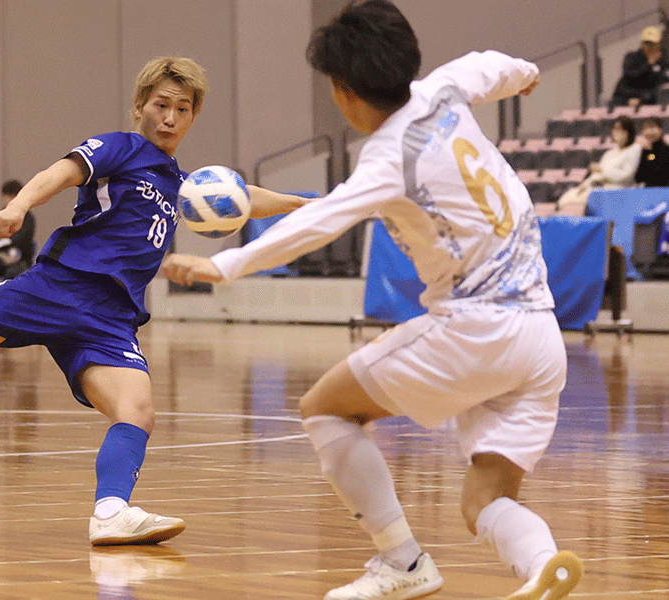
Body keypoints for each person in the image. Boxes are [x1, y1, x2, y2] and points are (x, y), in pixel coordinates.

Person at [162, 2, 583, 599]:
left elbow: (320, 223)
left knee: (325, 409)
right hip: (541, 339)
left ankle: (403, 563)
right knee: (483, 502)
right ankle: (542, 568)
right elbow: (490, 65)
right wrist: (523, 73)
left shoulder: (386, 159)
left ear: (343, 91)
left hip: (477, 329)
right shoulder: (442, 89)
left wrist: (221, 264)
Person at [0, 56, 308, 546]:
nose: (170, 117)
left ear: (192, 117)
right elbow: (60, 173)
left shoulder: (182, 185)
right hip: (59, 286)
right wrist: (19, 205)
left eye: (182, 109)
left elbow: (244, 197)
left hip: (113, 317)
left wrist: (306, 206)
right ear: (140, 106)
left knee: (137, 411)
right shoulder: (121, 148)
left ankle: (111, 512)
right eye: (161, 105)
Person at [555, 116, 640, 216]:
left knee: (577, 201)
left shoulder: (634, 149)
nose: (616, 132)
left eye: (619, 129)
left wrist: (602, 170)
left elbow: (626, 175)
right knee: (568, 196)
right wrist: (586, 184)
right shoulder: (610, 153)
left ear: (627, 132)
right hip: (598, 187)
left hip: (617, 189)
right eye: (614, 128)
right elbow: (596, 174)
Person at [0, 179, 37, 291]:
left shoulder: (28, 218)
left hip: (20, 260)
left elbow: (18, 240)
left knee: (11, 276)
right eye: (8, 196)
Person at [609, 25, 669, 109]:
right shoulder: (632, 57)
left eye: (653, 43)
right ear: (642, 44)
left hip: (651, 101)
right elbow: (631, 75)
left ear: (659, 44)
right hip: (627, 97)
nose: (650, 47)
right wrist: (649, 64)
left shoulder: (664, 61)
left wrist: (644, 99)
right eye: (647, 43)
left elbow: (662, 83)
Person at [634, 117, 669, 187]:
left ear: (660, 130)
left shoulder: (666, 150)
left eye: (652, 128)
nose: (649, 132)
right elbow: (638, 177)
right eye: (646, 128)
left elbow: (660, 175)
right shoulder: (642, 151)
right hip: (648, 192)